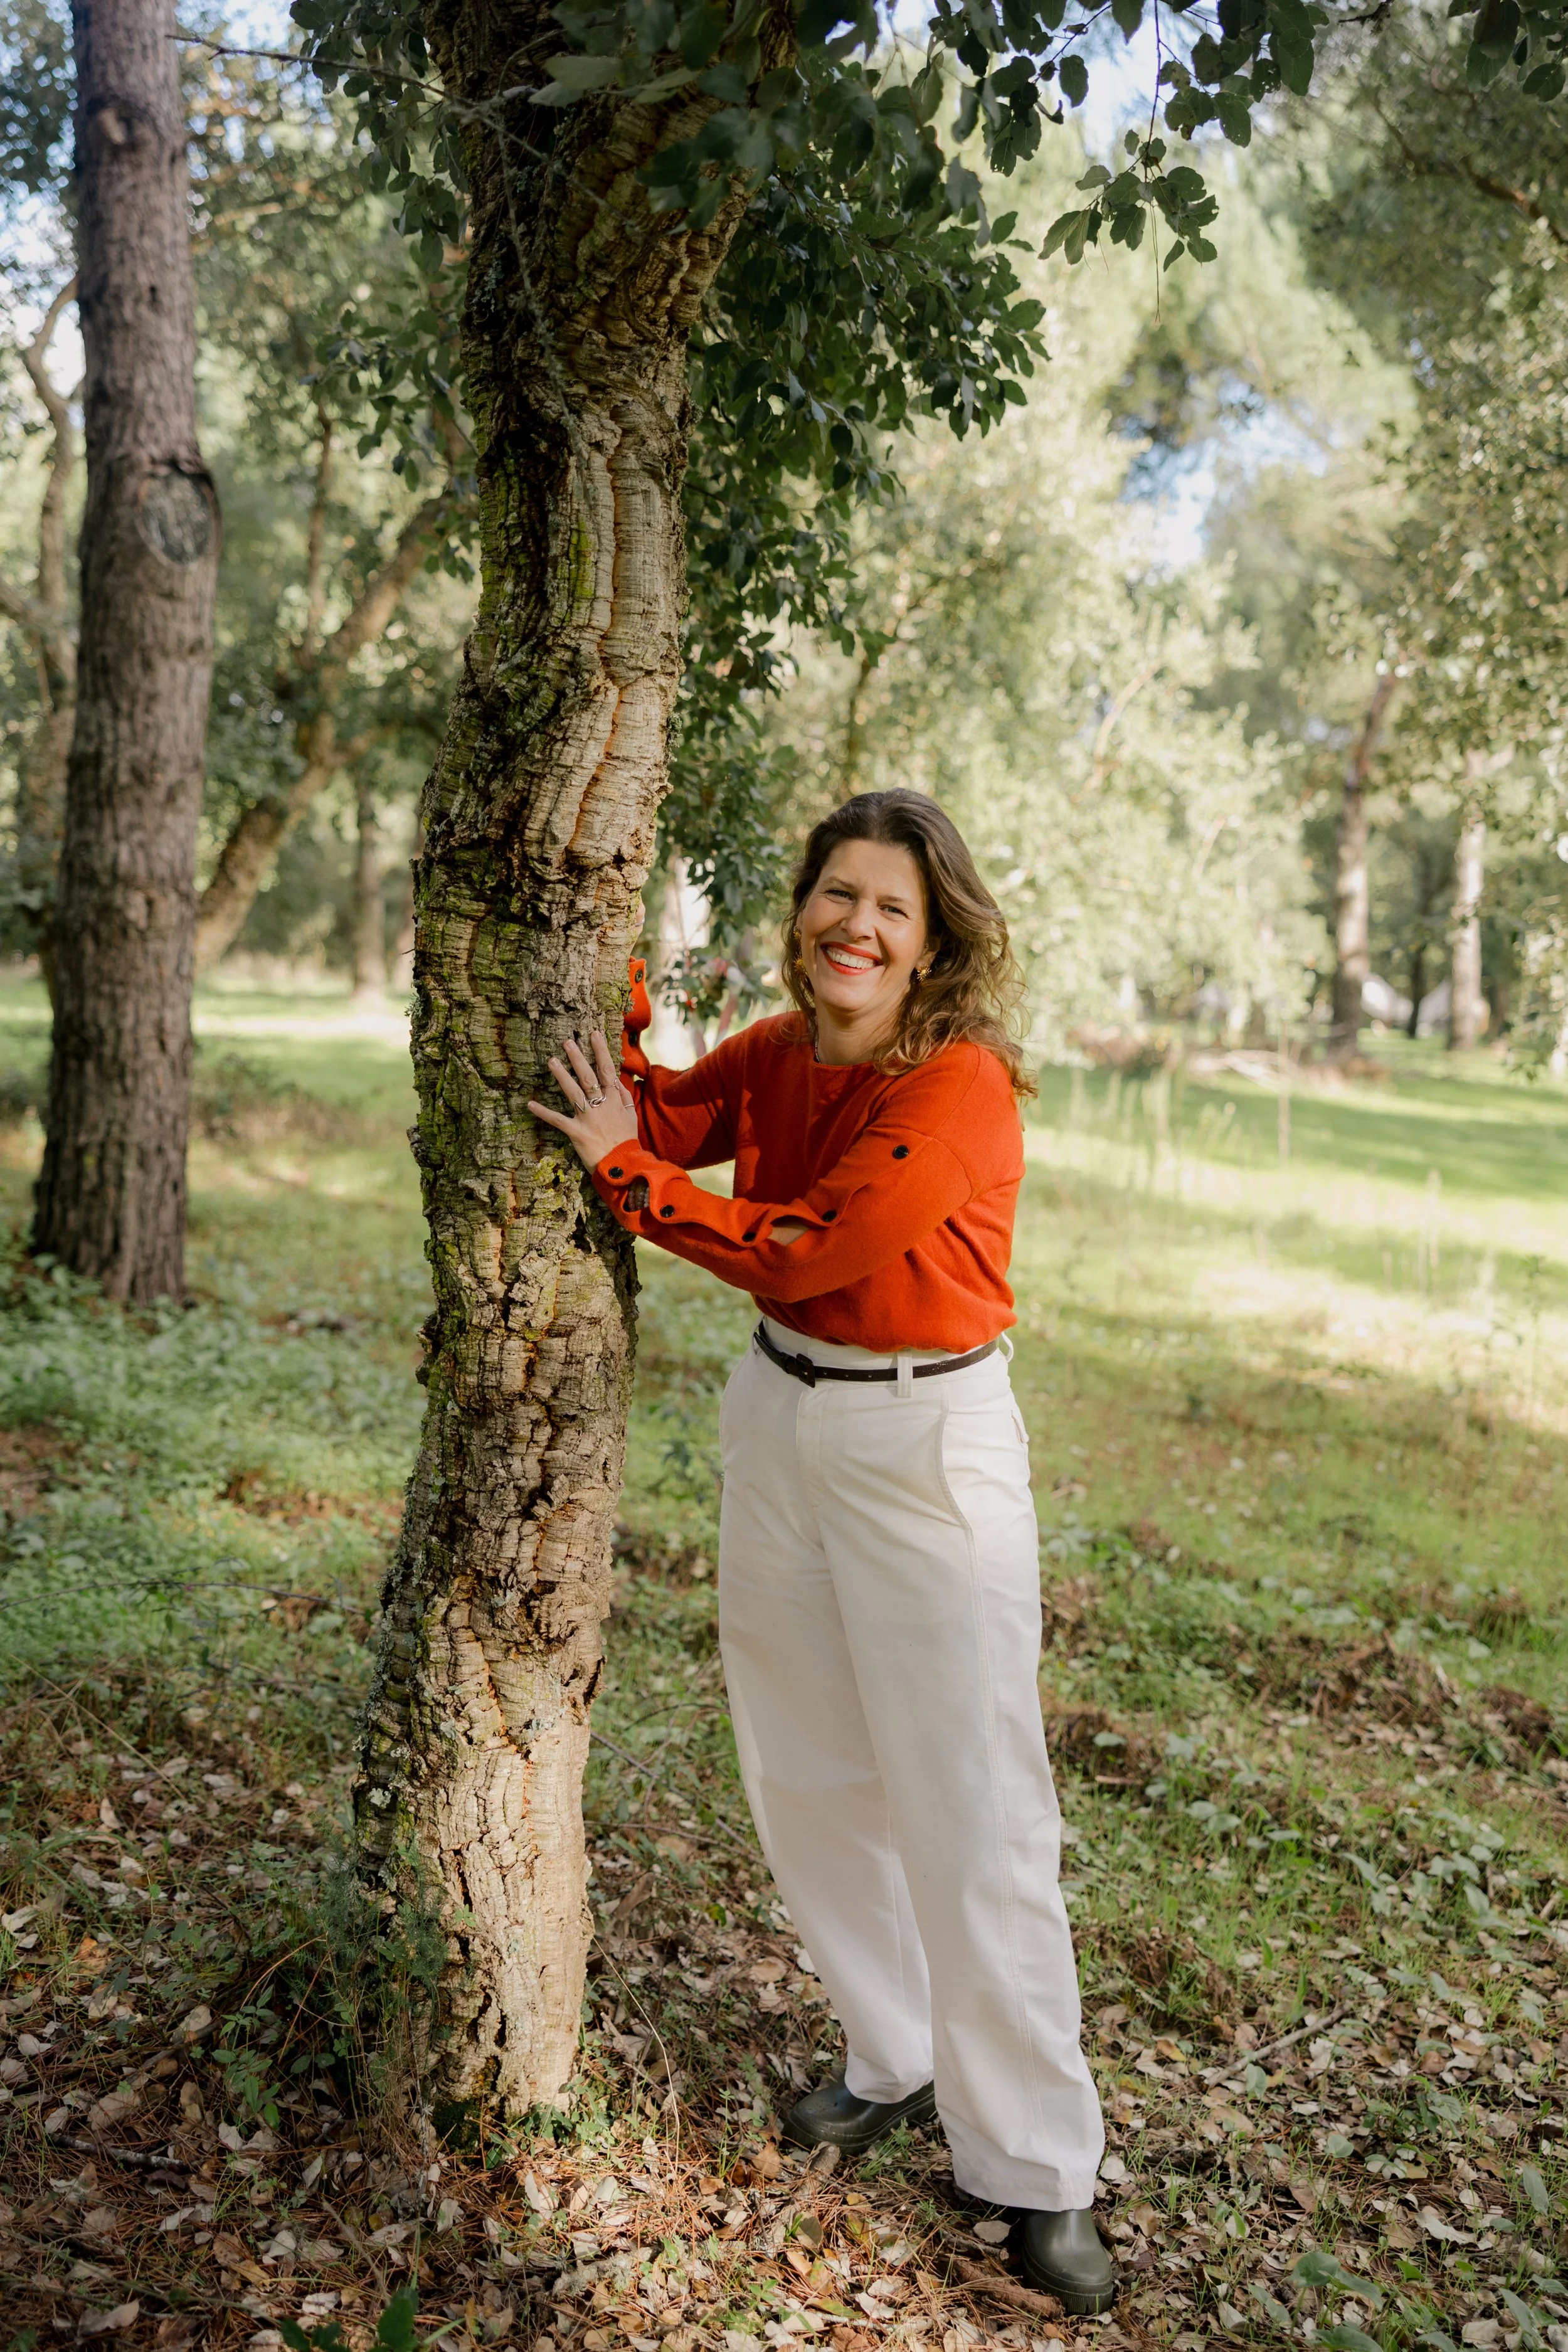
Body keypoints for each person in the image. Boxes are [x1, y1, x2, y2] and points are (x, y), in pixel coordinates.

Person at [528, 790, 1113, 2312]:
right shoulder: (782, 1053)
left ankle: (1036, 2165)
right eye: (835, 894)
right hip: (779, 1421)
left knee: (972, 1805)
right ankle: (892, 2052)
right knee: (806, 1766)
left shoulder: (961, 1087)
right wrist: (612, 976)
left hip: (925, 1444)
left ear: (932, 944)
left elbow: (807, 1248)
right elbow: (663, 1121)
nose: (856, 925)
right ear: (803, 913)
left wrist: (627, 1182)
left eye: (890, 909)